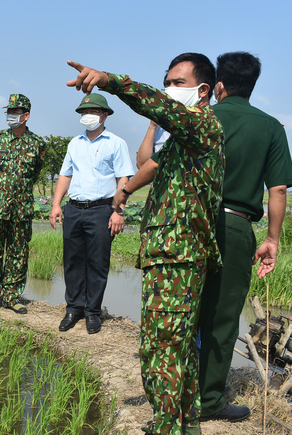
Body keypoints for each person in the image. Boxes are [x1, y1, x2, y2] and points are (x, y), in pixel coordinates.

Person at [68, 53, 223, 435]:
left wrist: (109, 80)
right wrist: (124, 190)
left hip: (178, 254)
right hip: (170, 253)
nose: (170, 90)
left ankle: (168, 426)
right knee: (178, 345)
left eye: (178, 84)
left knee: (162, 347)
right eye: (167, 82)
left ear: (202, 91)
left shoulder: (202, 124)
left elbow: (151, 99)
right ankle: (183, 423)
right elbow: (149, 162)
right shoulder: (184, 138)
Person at [198, 52, 292, 423]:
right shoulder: (271, 127)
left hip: (190, 222)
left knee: (184, 307)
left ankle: (173, 387)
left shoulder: (201, 117)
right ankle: (209, 400)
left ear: (218, 85)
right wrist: (272, 239)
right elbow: (279, 190)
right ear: (253, 86)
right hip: (236, 226)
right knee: (222, 316)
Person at [49, 93, 134, 334]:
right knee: (73, 260)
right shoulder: (75, 143)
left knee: (97, 262)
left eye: (93, 112)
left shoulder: (116, 143)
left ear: (104, 115)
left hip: (102, 209)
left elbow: (123, 179)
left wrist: (118, 211)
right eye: (84, 113)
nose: (87, 117)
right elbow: (66, 174)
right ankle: (73, 308)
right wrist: (56, 204)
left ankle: (92, 312)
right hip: (74, 208)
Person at [0, 94, 46, 315]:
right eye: (8, 112)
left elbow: (34, 174)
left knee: (18, 253)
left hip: (21, 209)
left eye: (15, 112)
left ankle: (11, 297)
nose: (10, 115)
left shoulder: (38, 144)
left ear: (26, 115)